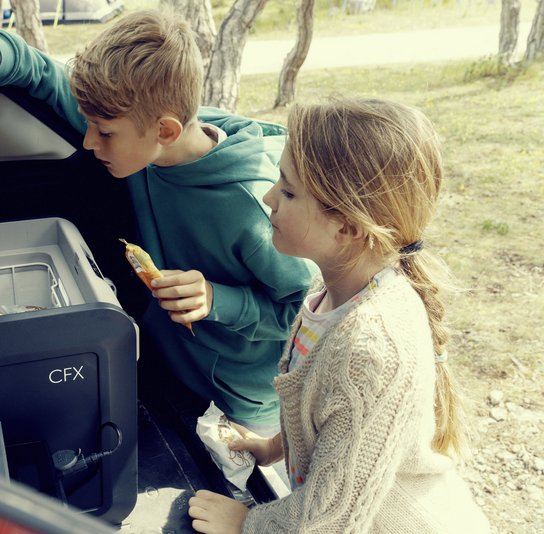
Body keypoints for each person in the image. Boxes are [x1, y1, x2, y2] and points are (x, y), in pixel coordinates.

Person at [0, 10, 315, 435]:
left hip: (236, 398)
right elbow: (48, 76)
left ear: (166, 130)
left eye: (103, 133)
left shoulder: (251, 208)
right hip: (171, 361)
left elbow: (306, 314)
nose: (89, 142)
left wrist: (219, 300)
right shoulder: (141, 130)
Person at [187, 98, 491, 532]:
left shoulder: (370, 347)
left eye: (288, 191)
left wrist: (246, 525)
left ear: (347, 227)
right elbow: (332, 424)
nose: (269, 197)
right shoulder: (335, 292)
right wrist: (272, 446)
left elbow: (332, 520)